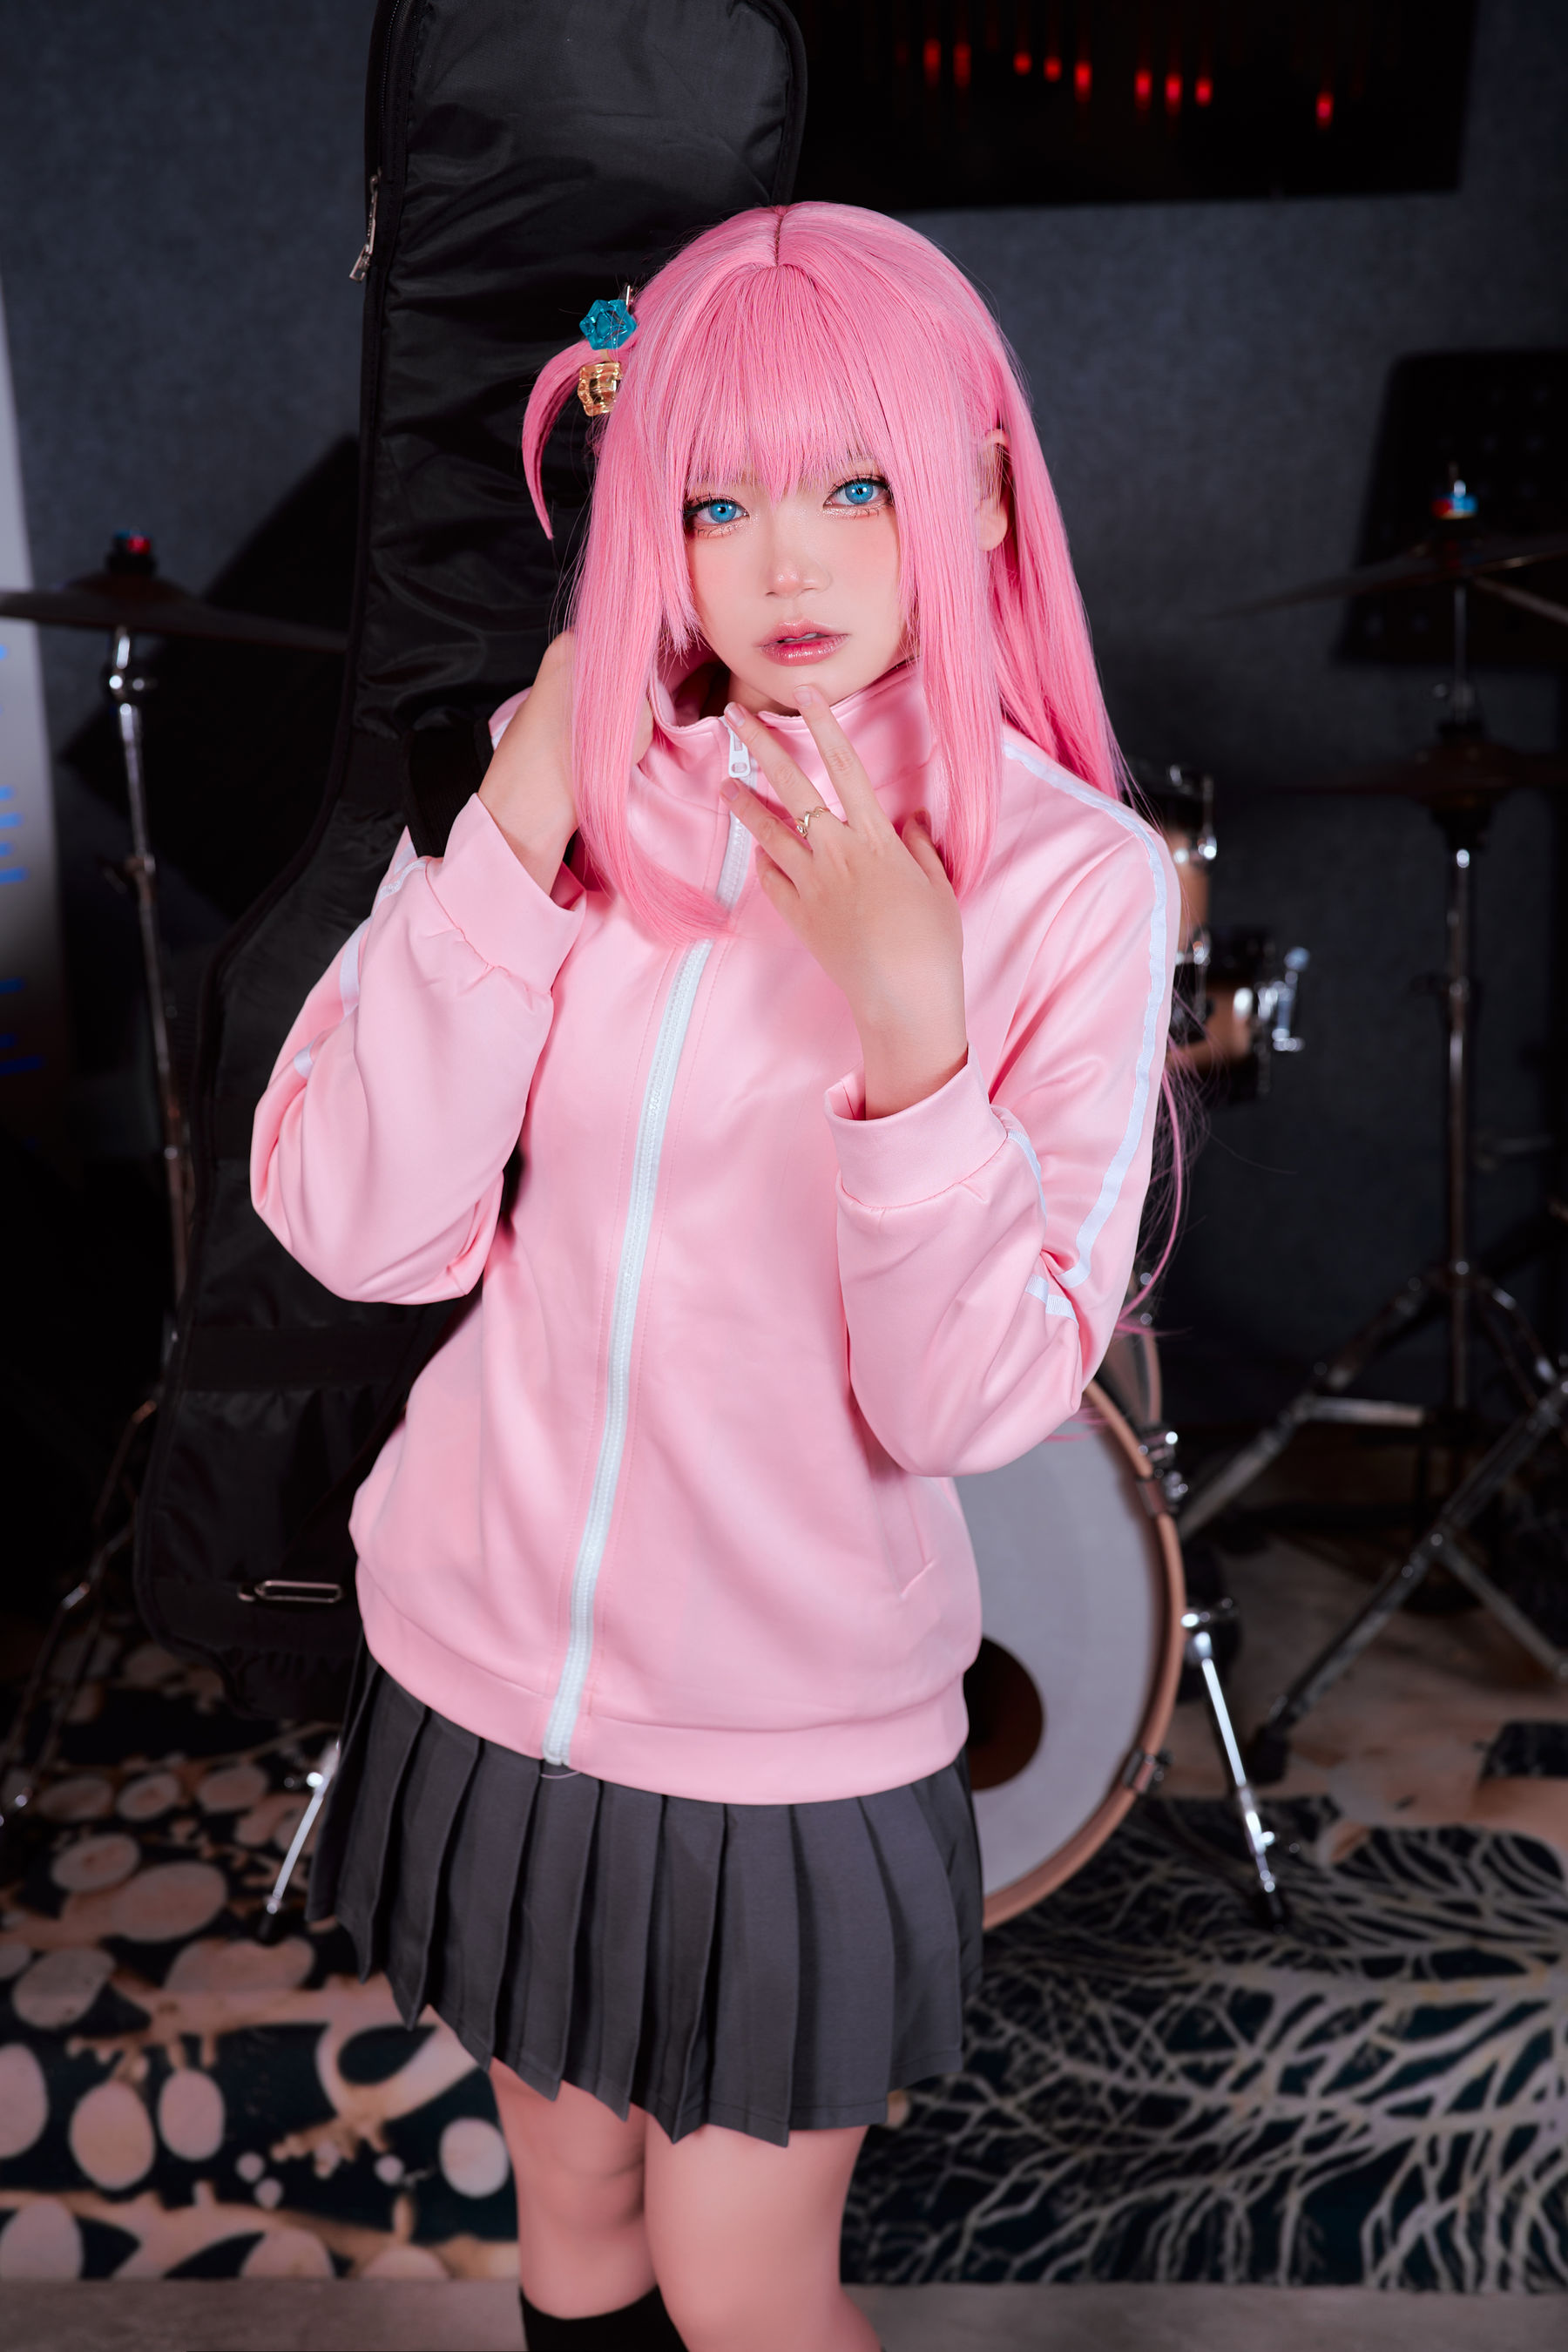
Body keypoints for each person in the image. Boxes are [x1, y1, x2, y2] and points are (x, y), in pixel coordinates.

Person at [252, 202, 1177, 2352]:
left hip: (791, 1744)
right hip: (484, 1679)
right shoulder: (580, 791)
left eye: (856, 485)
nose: (786, 563)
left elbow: (968, 1408)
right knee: (575, 2230)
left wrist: (909, 1030)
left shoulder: (1071, 886)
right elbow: (357, 1225)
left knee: (743, 2291)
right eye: (717, 498)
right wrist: (514, 817)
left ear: (980, 490)